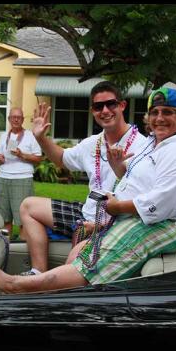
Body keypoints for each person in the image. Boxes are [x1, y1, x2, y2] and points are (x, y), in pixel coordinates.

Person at [0, 86, 176, 294]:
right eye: (154, 112)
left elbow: (161, 202)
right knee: (74, 250)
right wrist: (118, 168)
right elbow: (135, 179)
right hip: (110, 213)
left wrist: (114, 211)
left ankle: (18, 286)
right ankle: (39, 275)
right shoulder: (153, 144)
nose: (159, 118)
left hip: (158, 220)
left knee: (88, 262)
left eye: (167, 112)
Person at [19, 81, 148, 275]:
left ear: (122, 105)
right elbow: (62, 159)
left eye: (111, 104)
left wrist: (99, 225)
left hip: (116, 223)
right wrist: (41, 138)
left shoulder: (142, 147)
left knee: (73, 262)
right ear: (92, 111)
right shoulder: (93, 143)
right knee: (28, 206)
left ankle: (54, 285)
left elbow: (143, 200)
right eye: (98, 106)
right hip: (87, 213)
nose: (105, 110)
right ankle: (37, 272)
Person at [0, 108, 42, 238]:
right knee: (3, 217)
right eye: (13, 117)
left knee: (23, 219)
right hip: (3, 177)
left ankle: (22, 247)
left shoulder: (30, 136)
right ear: (9, 119)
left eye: (19, 117)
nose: (16, 119)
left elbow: (38, 159)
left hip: (22, 178)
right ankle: (4, 246)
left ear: (22, 120)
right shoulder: (4, 136)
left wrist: (22, 155)